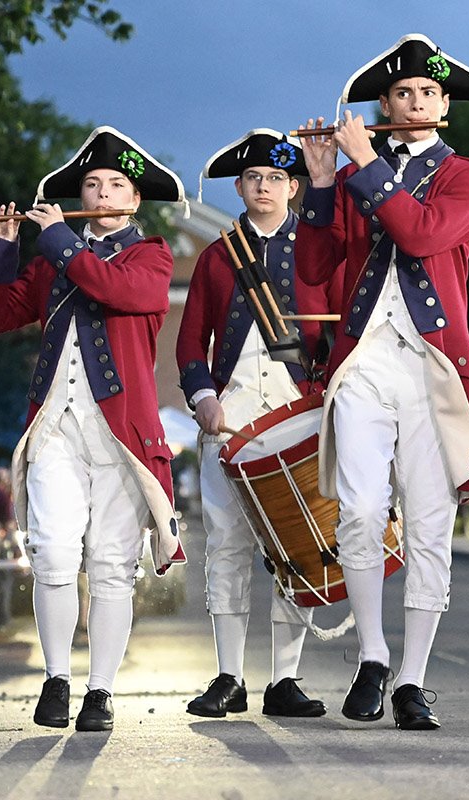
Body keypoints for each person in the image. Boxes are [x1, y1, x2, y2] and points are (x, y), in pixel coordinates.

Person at [295, 33, 469, 730]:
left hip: (434, 365)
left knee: (430, 524)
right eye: (402, 94)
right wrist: (322, 182)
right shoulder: (356, 173)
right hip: (362, 361)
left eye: (428, 95)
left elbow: (419, 235)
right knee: (357, 509)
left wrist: (363, 165)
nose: (415, 102)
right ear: (384, 103)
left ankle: (413, 679)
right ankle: (373, 656)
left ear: (445, 108)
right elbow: (316, 268)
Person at [0, 126, 187, 733]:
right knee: (55, 554)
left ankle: (101, 691)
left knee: (113, 564)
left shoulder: (153, 255)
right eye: (90, 185)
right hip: (57, 429)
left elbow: (117, 289)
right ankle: (57, 679)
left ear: (134, 199)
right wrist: (3, 247)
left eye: (114, 185)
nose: (99, 194)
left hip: (122, 436)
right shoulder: (51, 260)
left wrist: (58, 239)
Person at [177, 129, 334, 720]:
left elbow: (339, 332)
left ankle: (286, 681)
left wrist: (325, 397)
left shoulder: (318, 249)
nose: (262, 187)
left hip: (300, 412)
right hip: (231, 419)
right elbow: (191, 341)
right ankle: (228, 677)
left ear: (294, 187)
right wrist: (203, 398)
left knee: (302, 542)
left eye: (274, 178)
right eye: (252, 179)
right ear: (240, 188)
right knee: (227, 545)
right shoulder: (219, 255)